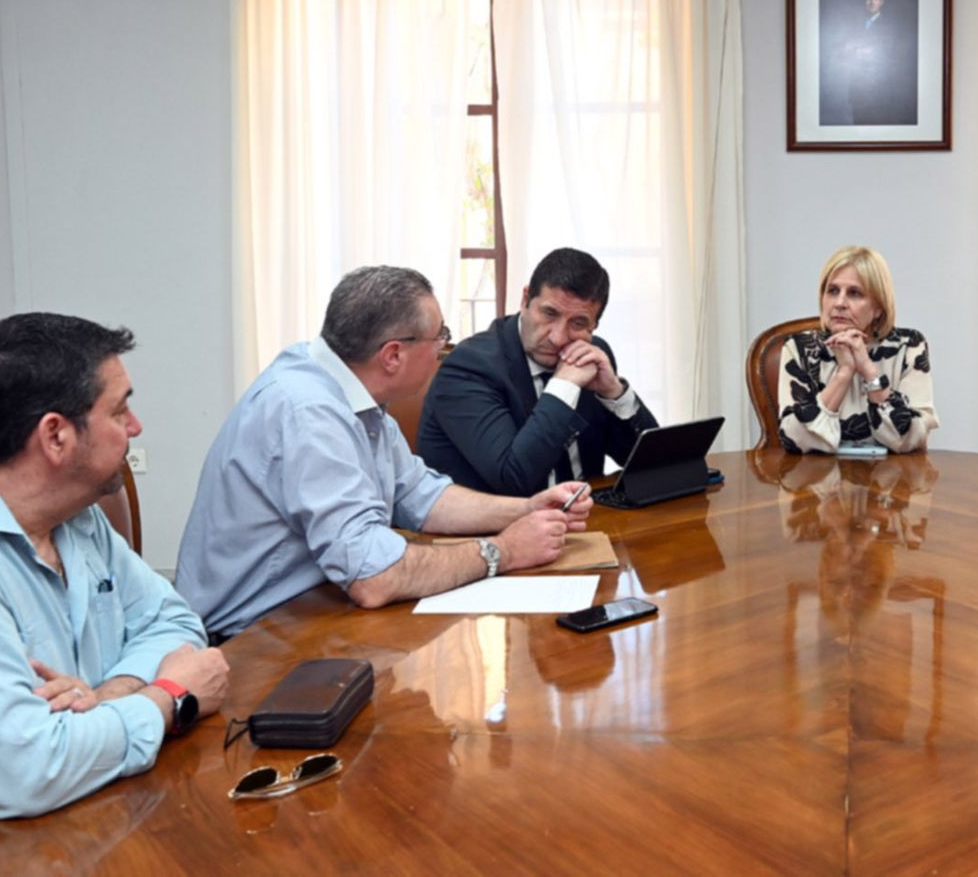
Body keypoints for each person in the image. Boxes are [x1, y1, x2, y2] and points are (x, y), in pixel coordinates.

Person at [175, 266, 591, 640]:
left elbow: (421, 496)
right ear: (393, 355)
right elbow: (373, 577)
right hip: (249, 639)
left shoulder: (349, 391)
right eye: (440, 336)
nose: (444, 348)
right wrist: (504, 551)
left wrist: (525, 510)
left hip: (310, 610)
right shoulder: (309, 412)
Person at [0, 314, 229, 851]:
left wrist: (108, 696)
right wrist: (170, 696)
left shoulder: (77, 516)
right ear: (56, 435)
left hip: (96, 815)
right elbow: (29, 768)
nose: (136, 427)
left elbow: (173, 621)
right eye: (120, 408)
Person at [417, 247, 658, 495]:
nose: (557, 337)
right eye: (549, 313)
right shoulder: (469, 367)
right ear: (525, 301)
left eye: (578, 323)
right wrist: (564, 388)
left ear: (594, 326)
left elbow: (655, 467)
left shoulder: (591, 356)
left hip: (591, 518)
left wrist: (614, 394)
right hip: (497, 528)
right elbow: (514, 478)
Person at [778, 245, 937, 455]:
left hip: (893, 481)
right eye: (832, 291)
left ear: (879, 307)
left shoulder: (908, 347)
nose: (839, 303)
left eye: (854, 293)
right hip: (816, 481)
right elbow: (795, 439)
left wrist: (868, 369)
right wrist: (844, 373)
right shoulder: (799, 349)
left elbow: (910, 438)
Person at [843, 0, 918, 126]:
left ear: (881, 2)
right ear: (864, 1)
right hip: (858, 93)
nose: (872, 2)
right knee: (859, 135)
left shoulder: (890, 26)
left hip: (880, 94)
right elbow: (847, 54)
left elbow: (890, 59)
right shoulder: (854, 25)